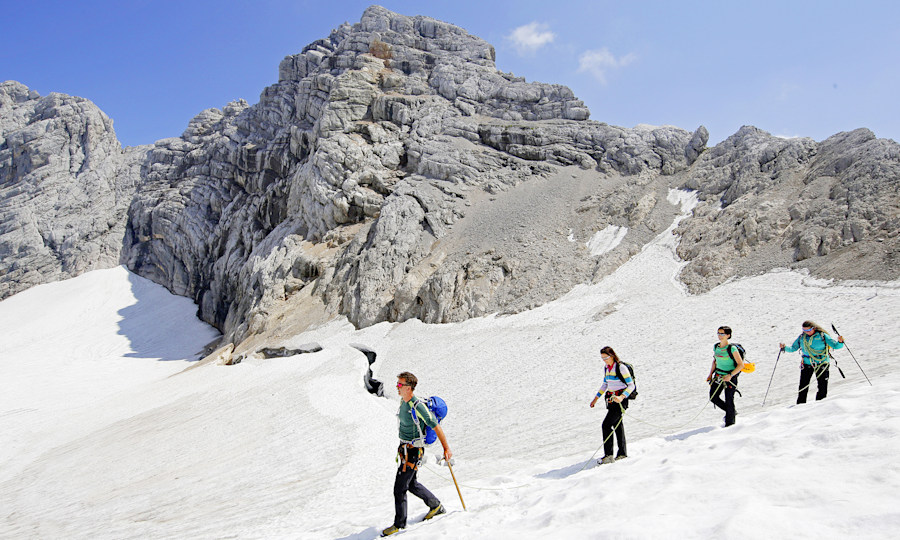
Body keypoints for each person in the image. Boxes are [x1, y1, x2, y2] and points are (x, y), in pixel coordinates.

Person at [381, 372, 452, 537]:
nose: (397, 387)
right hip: (405, 449)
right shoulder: (403, 401)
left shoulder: (417, 406)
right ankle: (435, 505)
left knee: (399, 488)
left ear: (409, 388)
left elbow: (435, 426)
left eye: (400, 384)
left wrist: (446, 449)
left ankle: (399, 525)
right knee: (411, 484)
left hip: (413, 452)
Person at [589, 346, 635, 464]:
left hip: (620, 401)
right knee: (617, 425)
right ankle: (622, 453)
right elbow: (605, 384)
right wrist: (595, 399)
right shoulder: (607, 368)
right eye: (602, 358)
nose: (604, 360)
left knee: (606, 425)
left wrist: (621, 397)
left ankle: (608, 455)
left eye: (606, 358)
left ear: (612, 356)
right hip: (611, 400)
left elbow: (631, 385)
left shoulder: (621, 367)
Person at [780, 321, 844, 404]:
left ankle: (820, 404)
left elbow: (835, 345)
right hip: (807, 364)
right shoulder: (802, 337)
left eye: (808, 330)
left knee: (822, 385)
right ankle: (800, 405)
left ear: (814, 328)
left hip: (822, 363)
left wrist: (840, 342)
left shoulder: (822, 336)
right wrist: (784, 347)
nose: (806, 332)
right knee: (803, 386)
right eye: (804, 330)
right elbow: (793, 348)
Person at [706, 326, 744, 427]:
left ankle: (730, 424)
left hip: (730, 377)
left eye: (722, 334)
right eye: (718, 333)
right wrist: (710, 374)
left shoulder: (732, 348)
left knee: (729, 399)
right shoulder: (716, 347)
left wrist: (730, 375)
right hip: (718, 375)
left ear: (728, 335)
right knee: (713, 397)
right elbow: (715, 361)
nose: (720, 335)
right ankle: (731, 412)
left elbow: (741, 365)